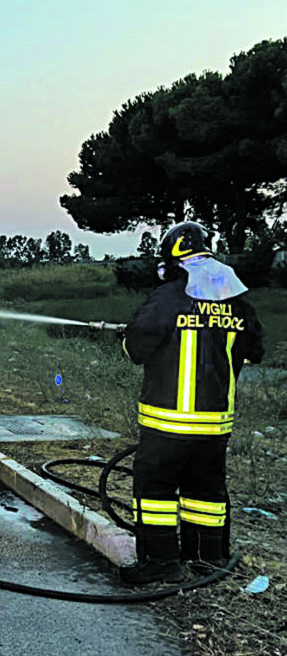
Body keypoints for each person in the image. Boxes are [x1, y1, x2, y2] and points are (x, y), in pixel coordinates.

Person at [120, 221, 263, 585]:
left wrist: (128, 337)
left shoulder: (168, 297)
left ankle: (161, 562)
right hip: (215, 426)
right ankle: (209, 559)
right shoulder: (236, 300)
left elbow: (136, 348)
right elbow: (255, 351)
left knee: (155, 493)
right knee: (207, 493)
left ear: (174, 257)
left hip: (167, 423)